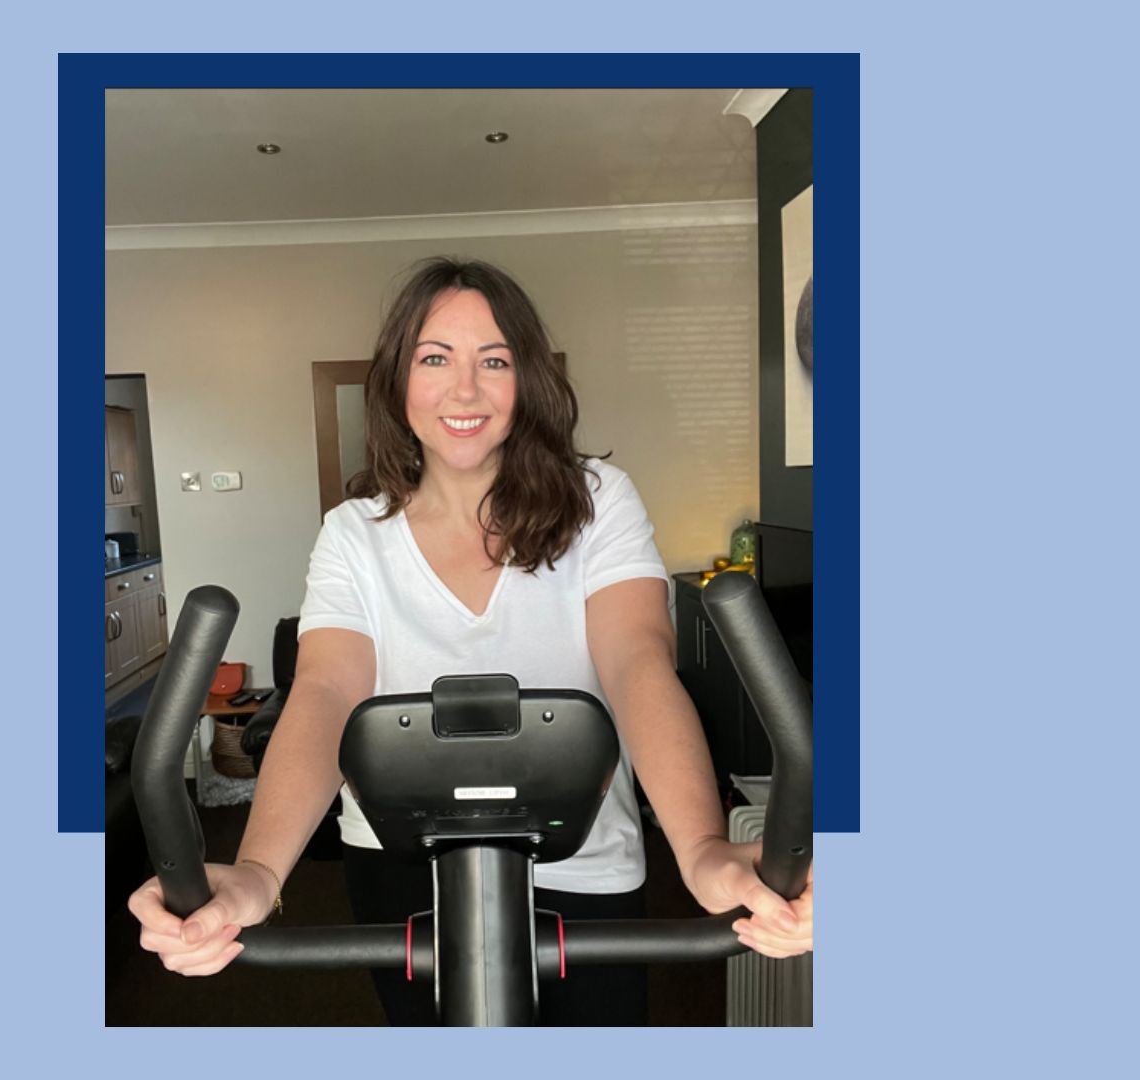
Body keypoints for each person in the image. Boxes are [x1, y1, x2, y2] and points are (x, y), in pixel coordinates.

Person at [130, 257, 813, 1024]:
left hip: (582, 862)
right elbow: (326, 691)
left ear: (529, 383)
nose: (465, 390)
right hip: (400, 865)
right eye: (435, 359)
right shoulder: (354, 535)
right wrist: (255, 872)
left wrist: (703, 852)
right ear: (397, 382)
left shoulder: (597, 502)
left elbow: (636, 664)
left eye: (495, 361)